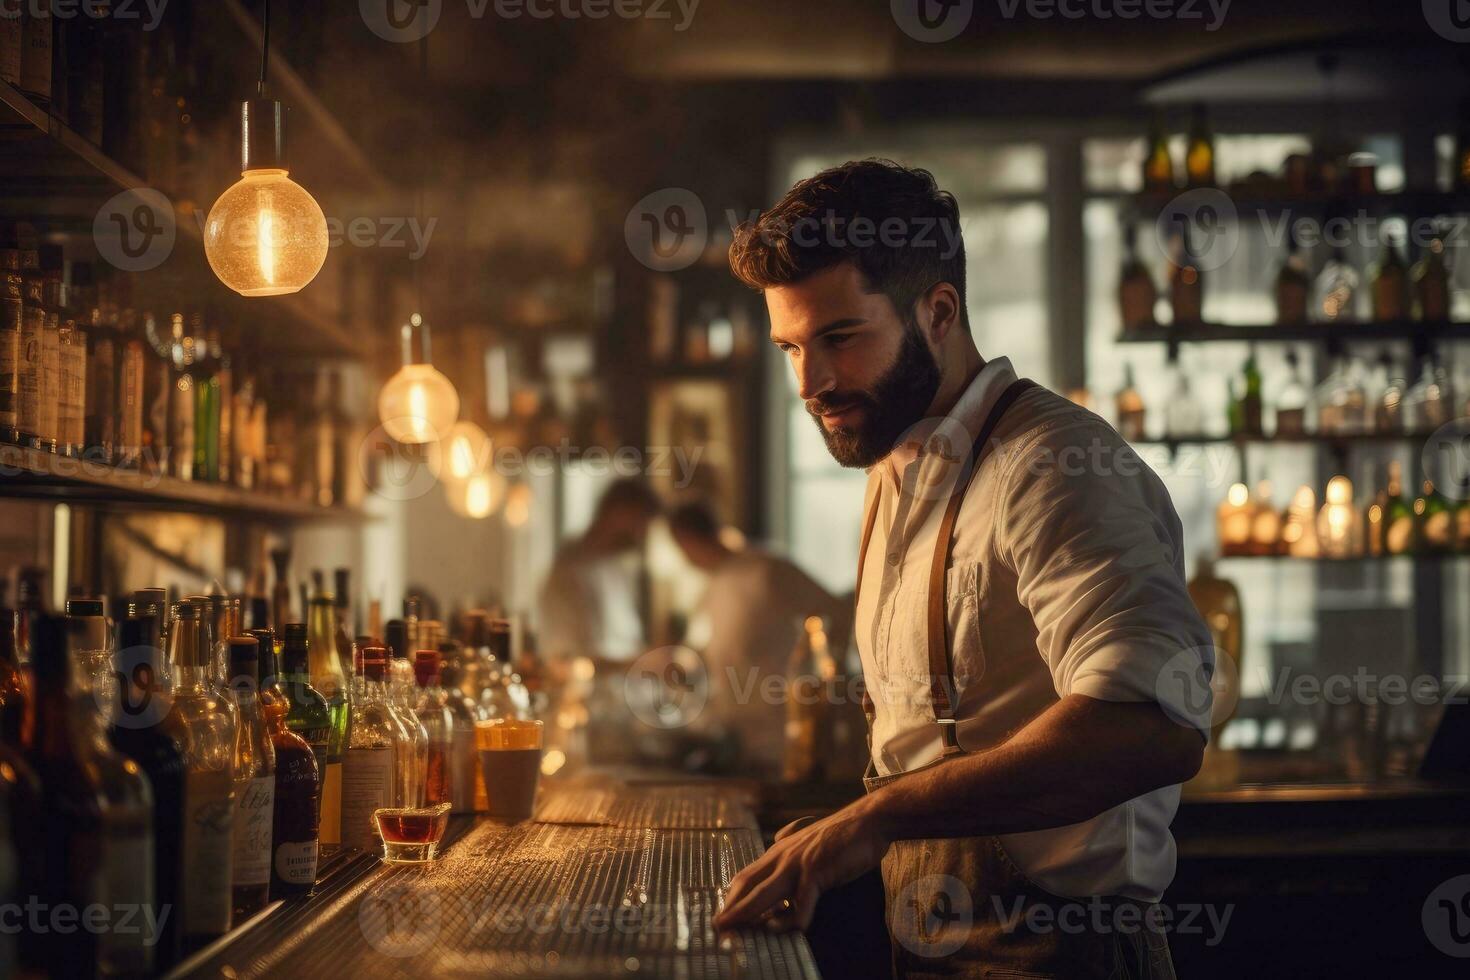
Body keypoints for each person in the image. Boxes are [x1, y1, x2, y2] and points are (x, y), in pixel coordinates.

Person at [713, 160, 1213, 979]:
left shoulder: (1053, 465)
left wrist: (876, 819)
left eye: (840, 338)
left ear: (938, 310)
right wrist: (844, 824)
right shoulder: (894, 465)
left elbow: (1153, 729)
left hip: (1062, 956)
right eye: (790, 348)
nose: (811, 384)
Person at [668, 501, 850, 776]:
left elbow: (837, 612)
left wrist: (829, 689)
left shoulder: (767, 570)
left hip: (782, 736)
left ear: (688, 541)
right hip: (739, 742)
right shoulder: (712, 588)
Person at [536, 478, 661, 667]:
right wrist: (641, 663)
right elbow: (569, 658)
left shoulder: (615, 568)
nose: (642, 534)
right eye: (640, 522)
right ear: (618, 513)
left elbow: (628, 641)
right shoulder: (568, 572)